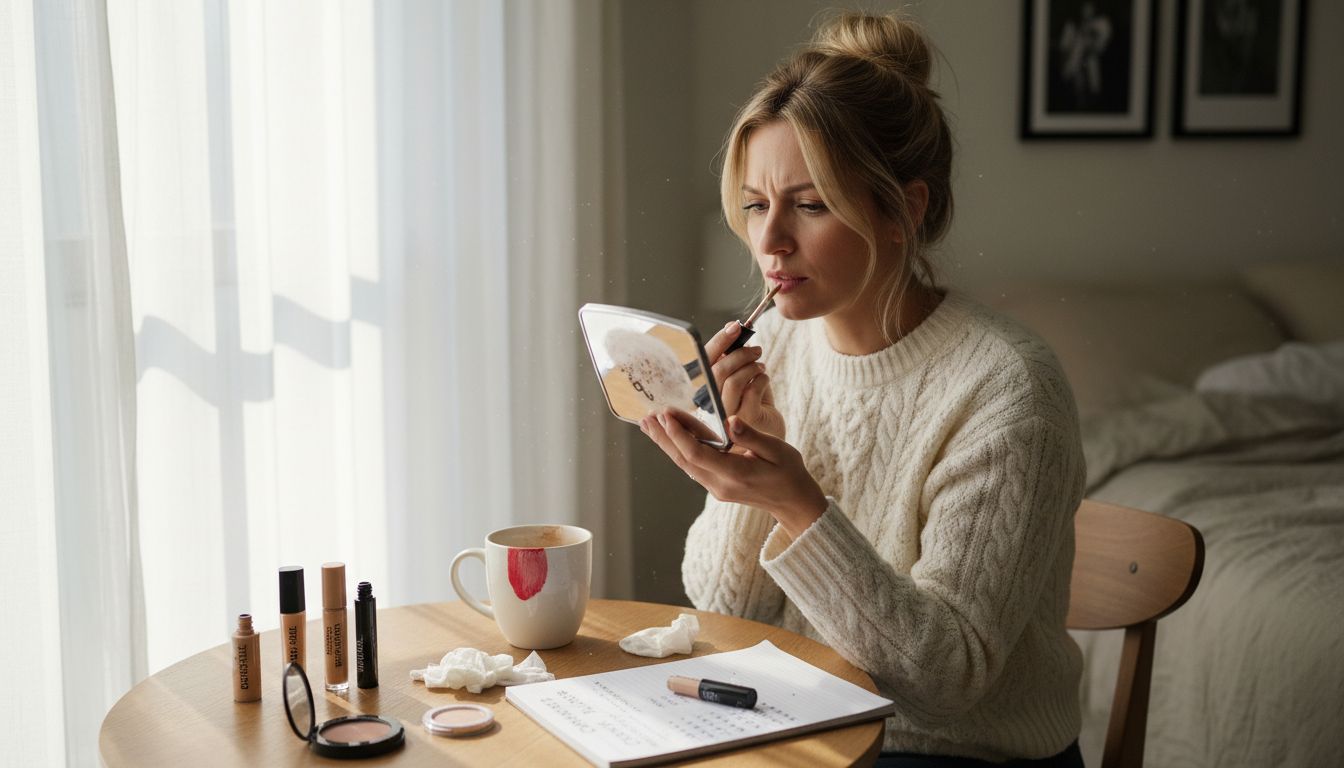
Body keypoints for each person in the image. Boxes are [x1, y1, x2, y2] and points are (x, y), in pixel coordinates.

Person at [638, 11, 1086, 767]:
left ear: (901, 212)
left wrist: (794, 501)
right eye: (756, 204)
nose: (771, 241)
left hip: (950, 754)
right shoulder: (776, 341)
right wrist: (736, 476)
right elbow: (727, 612)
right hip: (806, 734)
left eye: (809, 205)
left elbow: (946, 681)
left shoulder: (1006, 390)